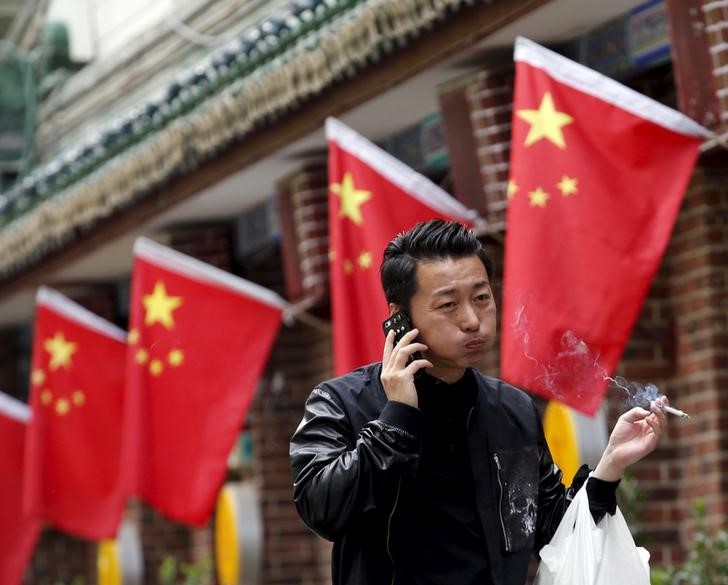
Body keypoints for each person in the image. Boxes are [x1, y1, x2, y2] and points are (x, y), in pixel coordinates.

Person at [289, 219, 667, 585]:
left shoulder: (512, 411)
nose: (472, 320)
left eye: (481, 298)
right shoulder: (341, 402)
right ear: (399, 318)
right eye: (448, 305)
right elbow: (323, 511)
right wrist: (396, 419)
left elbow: (550, 529)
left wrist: (610, 464)